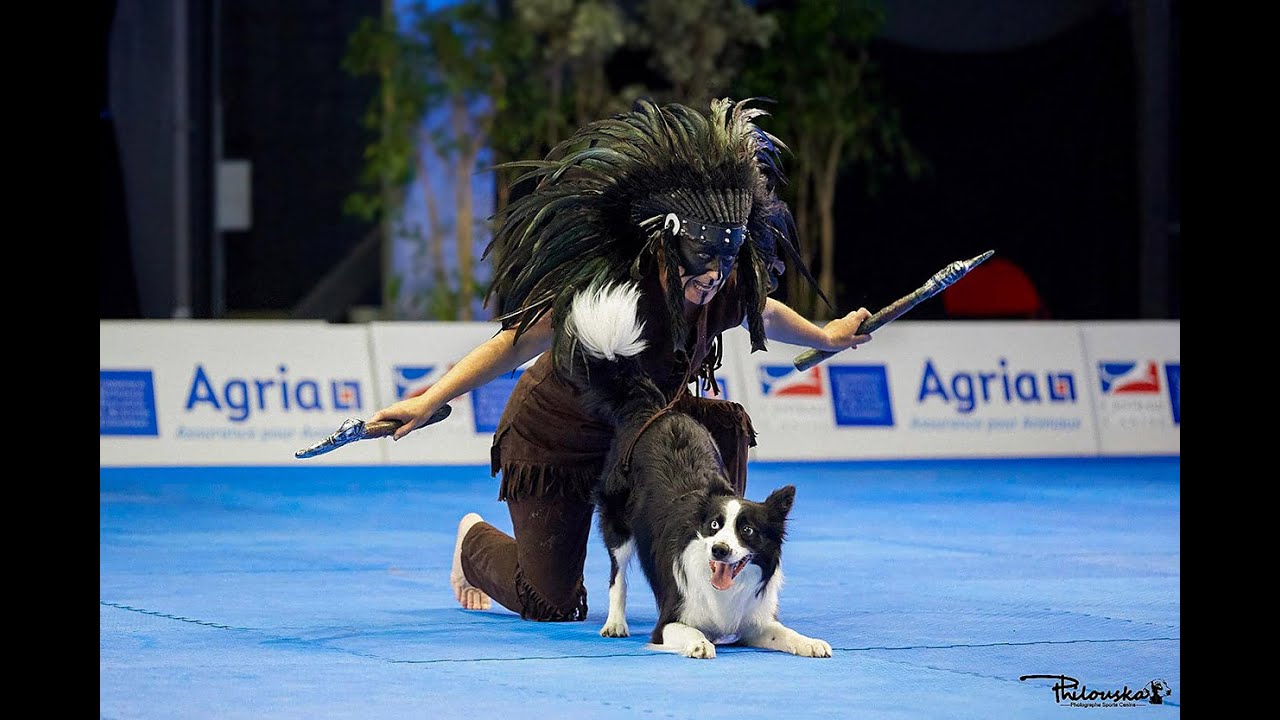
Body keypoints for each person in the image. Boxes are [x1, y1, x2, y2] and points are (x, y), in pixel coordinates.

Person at [369, 97, 872, 621]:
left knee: (721, 426)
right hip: (561, 438)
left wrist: (826, 336)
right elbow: (515, 342)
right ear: (665, 248)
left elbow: (762, 312)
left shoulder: (723, 282)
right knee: (551, 604)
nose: (711, 282)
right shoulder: (612, 290)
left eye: (723, 268)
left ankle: (704, 567)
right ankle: (474, 544)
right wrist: (429, 400)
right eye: (700, 269)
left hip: (642, 432)